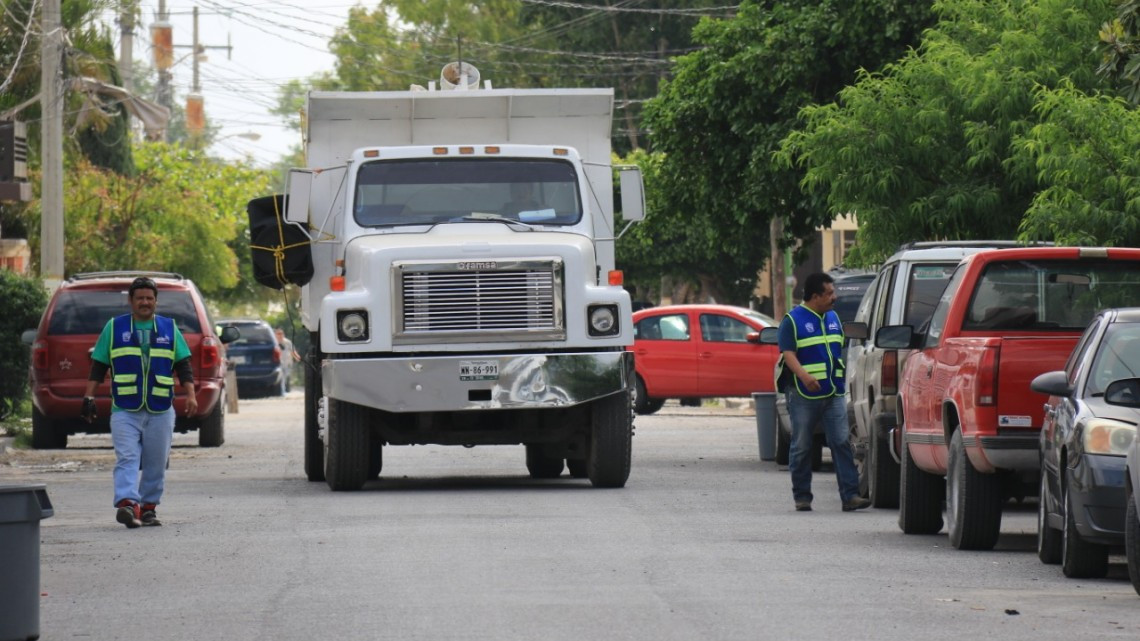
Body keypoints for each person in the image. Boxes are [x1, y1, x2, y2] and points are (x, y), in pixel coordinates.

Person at [82, 277, 196, 528]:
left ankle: (148, 508)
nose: (145, 302)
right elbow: (99, 365)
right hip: (125, 408)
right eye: (140, 298)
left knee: (156, 462)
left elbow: (183, 365)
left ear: (155, 301)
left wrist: (191, 394)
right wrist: (88, 397)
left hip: (160, 408)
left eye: (149, 298)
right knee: (127, 457)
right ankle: (126, 503)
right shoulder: (114, 328)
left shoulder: (169, 328)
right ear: (131, 301)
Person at [776, 272, 871, 513]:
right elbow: (788, 354)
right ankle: (802, 496)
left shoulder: (833, 318)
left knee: (841, 442)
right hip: (803, 395)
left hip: (833, 393)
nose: (834, 297)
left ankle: (850, 496)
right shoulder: (793, 320)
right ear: (815, 296)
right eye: (829, 293)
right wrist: (805, 377)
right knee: (802, 444)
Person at [275, 327, 300, 392]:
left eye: (281, 333)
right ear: (275, 334)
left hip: (287, 363)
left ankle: (284, 390)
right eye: (278, 333)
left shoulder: (288, 342)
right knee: (281, 378)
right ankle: (282, 392)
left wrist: (297, 358)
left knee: (286, 377)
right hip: (278, 364)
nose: (280, 335)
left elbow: (293, 351)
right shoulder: (274, 342)